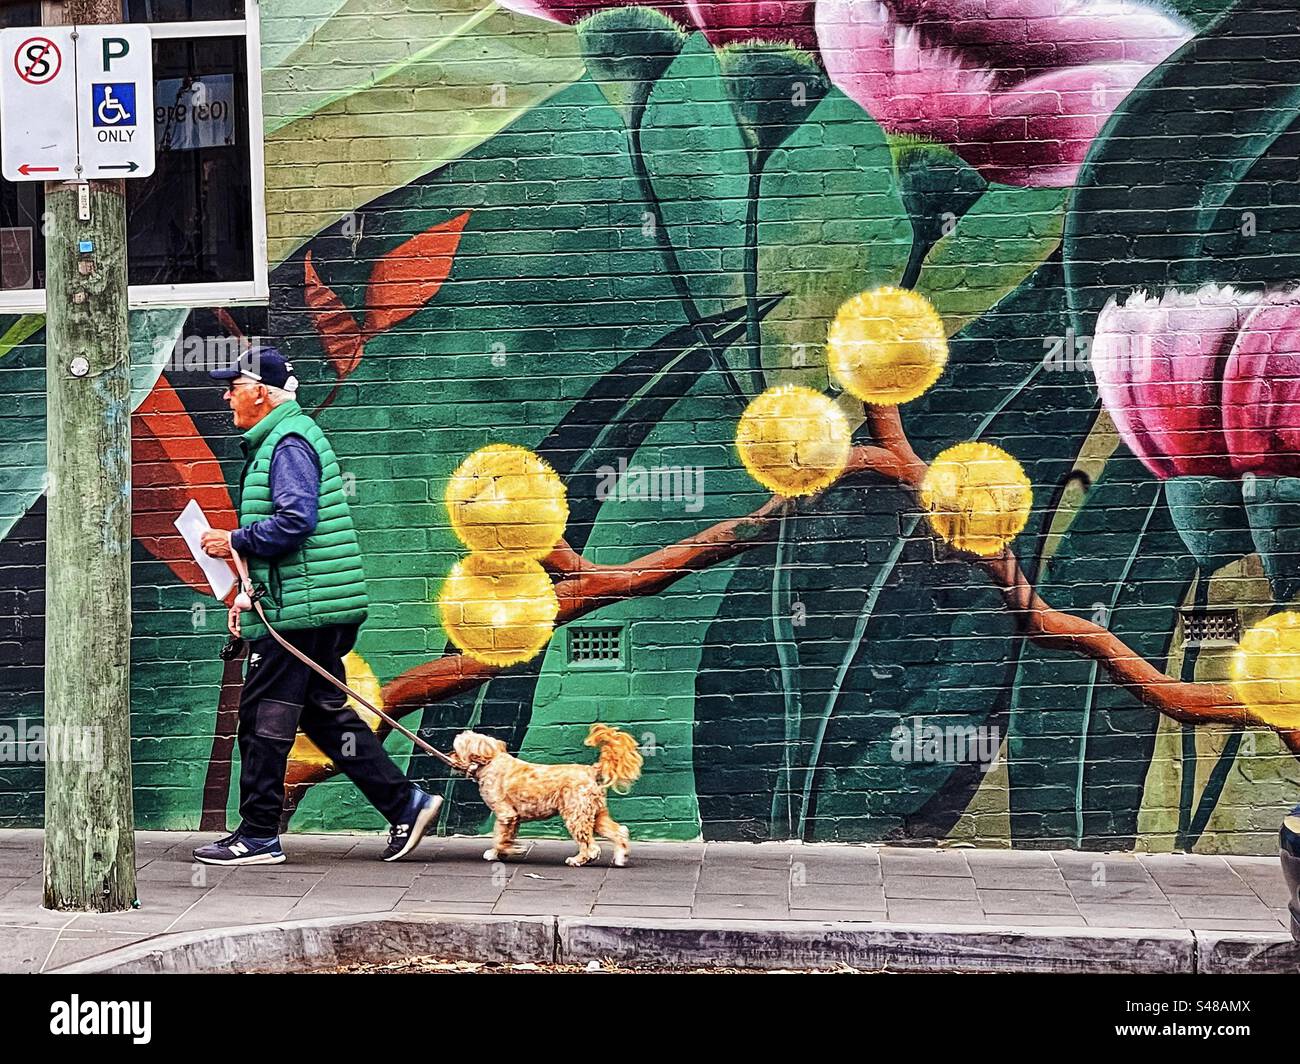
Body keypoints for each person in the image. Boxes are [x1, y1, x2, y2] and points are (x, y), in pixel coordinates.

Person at [191, 346, 442, 865]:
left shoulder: (286, 443)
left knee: (263, 719)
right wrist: (244, 587)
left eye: (233, 386)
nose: (226, 396)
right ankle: (404, 803)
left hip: (302, 614)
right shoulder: (283, 438)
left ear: (260, 392)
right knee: (327, 719)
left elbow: (294, 522)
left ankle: (258, 835)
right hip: (310, 608)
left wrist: (232, 540)